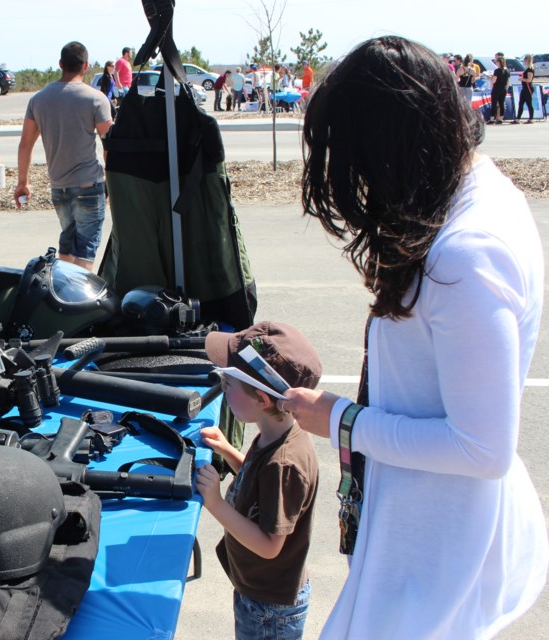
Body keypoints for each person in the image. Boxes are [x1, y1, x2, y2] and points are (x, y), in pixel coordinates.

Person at [283, 36, 548, 638]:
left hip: (440, 546)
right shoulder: (475, 194)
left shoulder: (467, 254)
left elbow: (482, 449)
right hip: (430, 528)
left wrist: (345, 421)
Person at [196, 321, 321, 640]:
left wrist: (215, 502)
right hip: (261, 594)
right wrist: (228, 451)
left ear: (262, 400)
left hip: (270, 609)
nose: (223, 388)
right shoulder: (275, 434)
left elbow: (269, 545)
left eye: (229, 384)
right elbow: (259, 482)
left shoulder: (284, 463)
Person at [14, 41, 113, 271]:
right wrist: (113, 183)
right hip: (89, 185)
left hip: (59, 187)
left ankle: (63, 300)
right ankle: (79, 303)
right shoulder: (96, 98)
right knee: (85, 251)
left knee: (67, 249)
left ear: (60, 64)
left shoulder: (38, 99)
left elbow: (25, 143)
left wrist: (23, 182)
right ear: (86, 66)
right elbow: (110, 144)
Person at [488, 53, 510, 124]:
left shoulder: (497, 71)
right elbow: (508, 81)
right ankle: (501, 118)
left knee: (494, 104)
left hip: (496, 88)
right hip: (503, 88)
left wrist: (490, 78)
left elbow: (494, 80)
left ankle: (492, 119)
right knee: (501, 103)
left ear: (499, 62)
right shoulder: (507, 71)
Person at [514, 54, 535, 124]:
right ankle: (518, 118)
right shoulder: (527, 69)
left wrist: (522, 79)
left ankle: (531, 118)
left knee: (529, 103)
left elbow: (529, 80)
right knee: (521, 103)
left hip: (528, 88)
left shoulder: (530, 69)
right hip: (524, 88)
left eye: (525, 60)